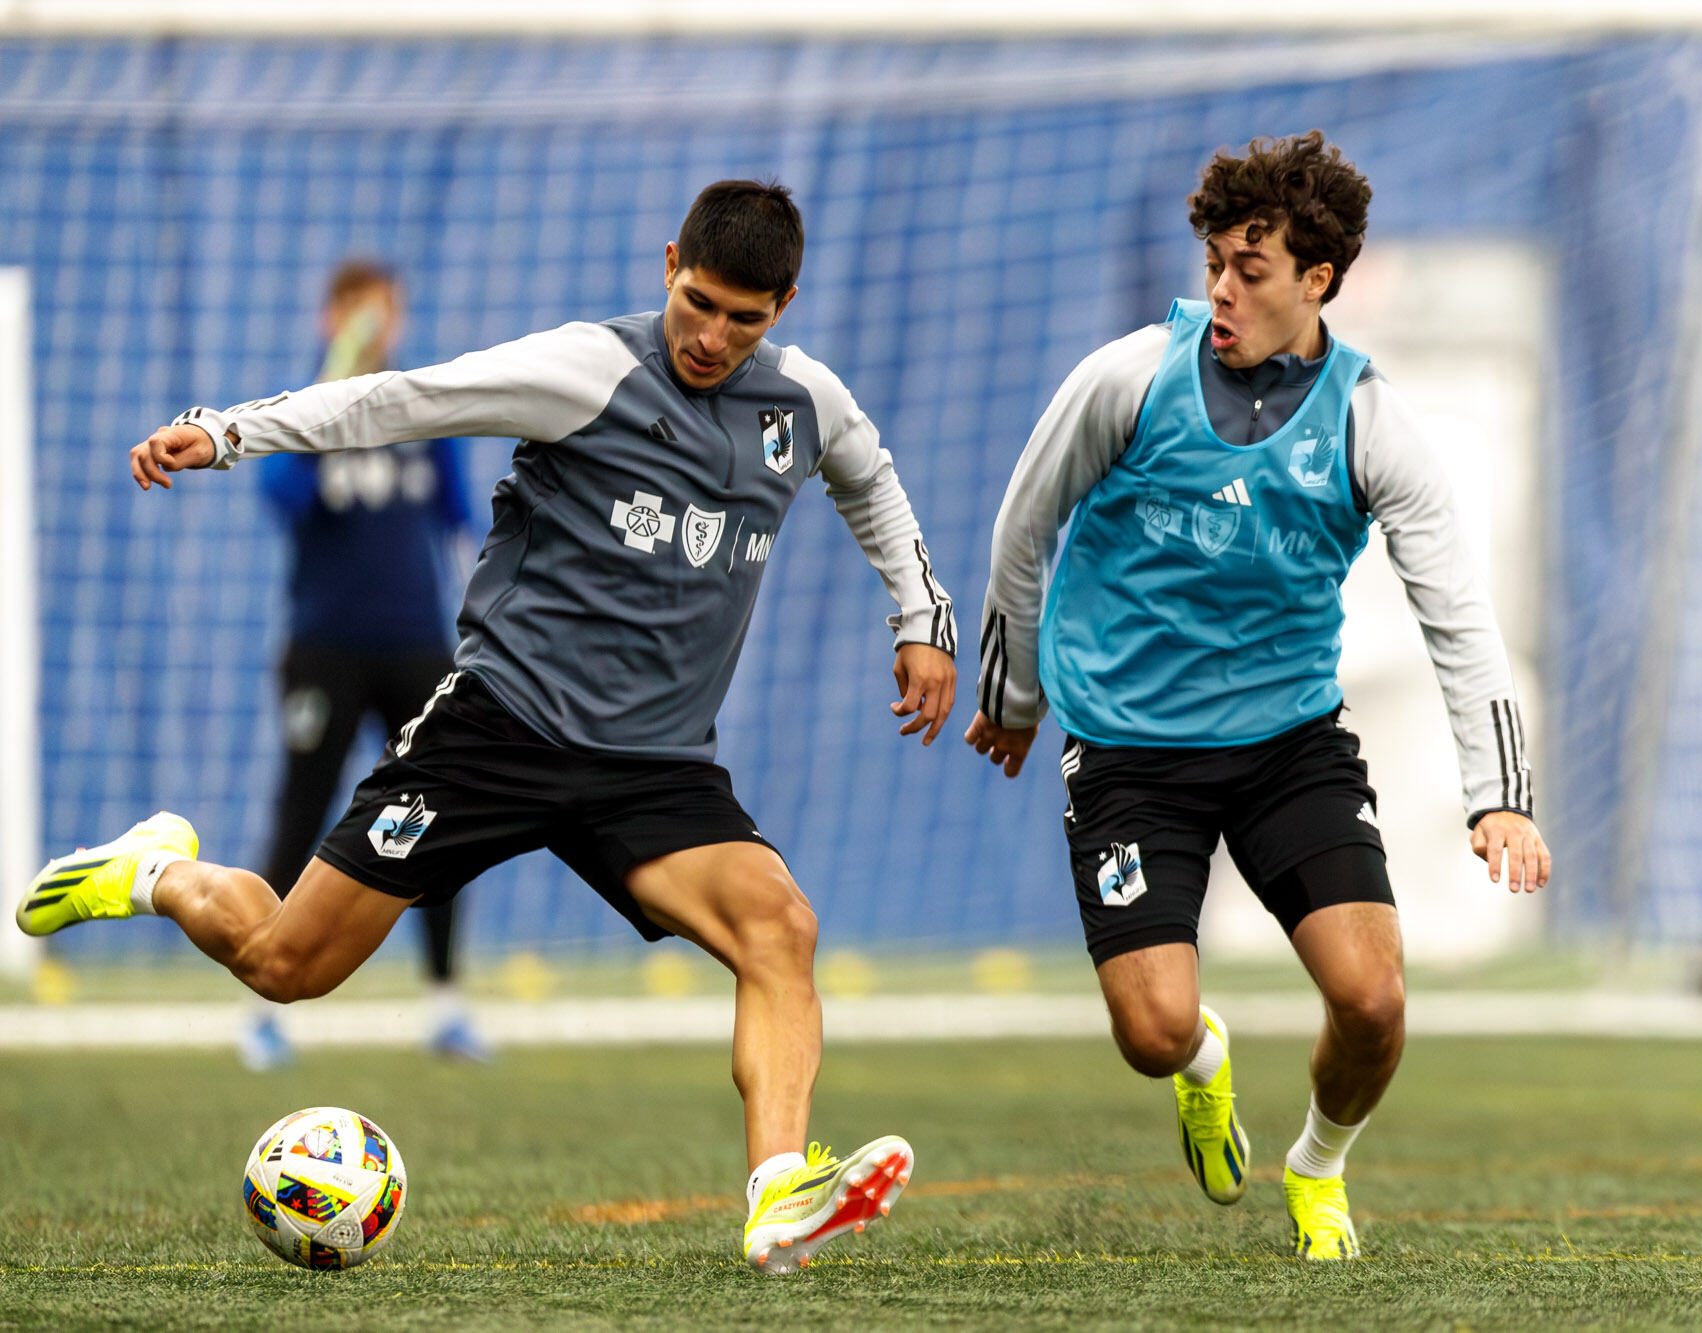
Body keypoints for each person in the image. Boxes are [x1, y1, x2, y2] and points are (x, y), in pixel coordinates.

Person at [17, 180, 956, 1274]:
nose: (710, 336)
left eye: (742, 318)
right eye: (696, 302)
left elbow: (872, 482)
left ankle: (776, 1196)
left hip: (654, 766)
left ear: (782, 305)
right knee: (284, 962)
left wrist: (921, 618)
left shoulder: (806, 404)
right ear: (668, 264)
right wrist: (229, 431)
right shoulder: (584, 369)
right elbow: (399, 400)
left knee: (778, 930)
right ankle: (152, 871)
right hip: (500, 728)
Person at [966, 132, 1550, 1260]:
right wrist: (1015, 688)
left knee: (1373, 1003)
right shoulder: (1127, 379)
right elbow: (1022, 527)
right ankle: (1200, 1065)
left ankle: (1317, 1164)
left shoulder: (1368, 421)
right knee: (1150, 1030)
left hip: (1288, 745)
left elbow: (1457, 618)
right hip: (1130, 752)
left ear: (1317, 280)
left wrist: (1498, 794)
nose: (1221, 289)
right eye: (1215, 264)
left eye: (1250, 268)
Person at [243, 259, 487, 1071]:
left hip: (416, 642)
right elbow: (279, 498)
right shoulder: (303, 405)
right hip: (324, 646)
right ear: (330, 319)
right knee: (303, 807)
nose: (372, 325)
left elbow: (457, 515)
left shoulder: (422, 409)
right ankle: (264, 1009)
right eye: (355, 313)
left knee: (437, 813)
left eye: (382, 312)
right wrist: (329, 385)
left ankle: (447, 1003)